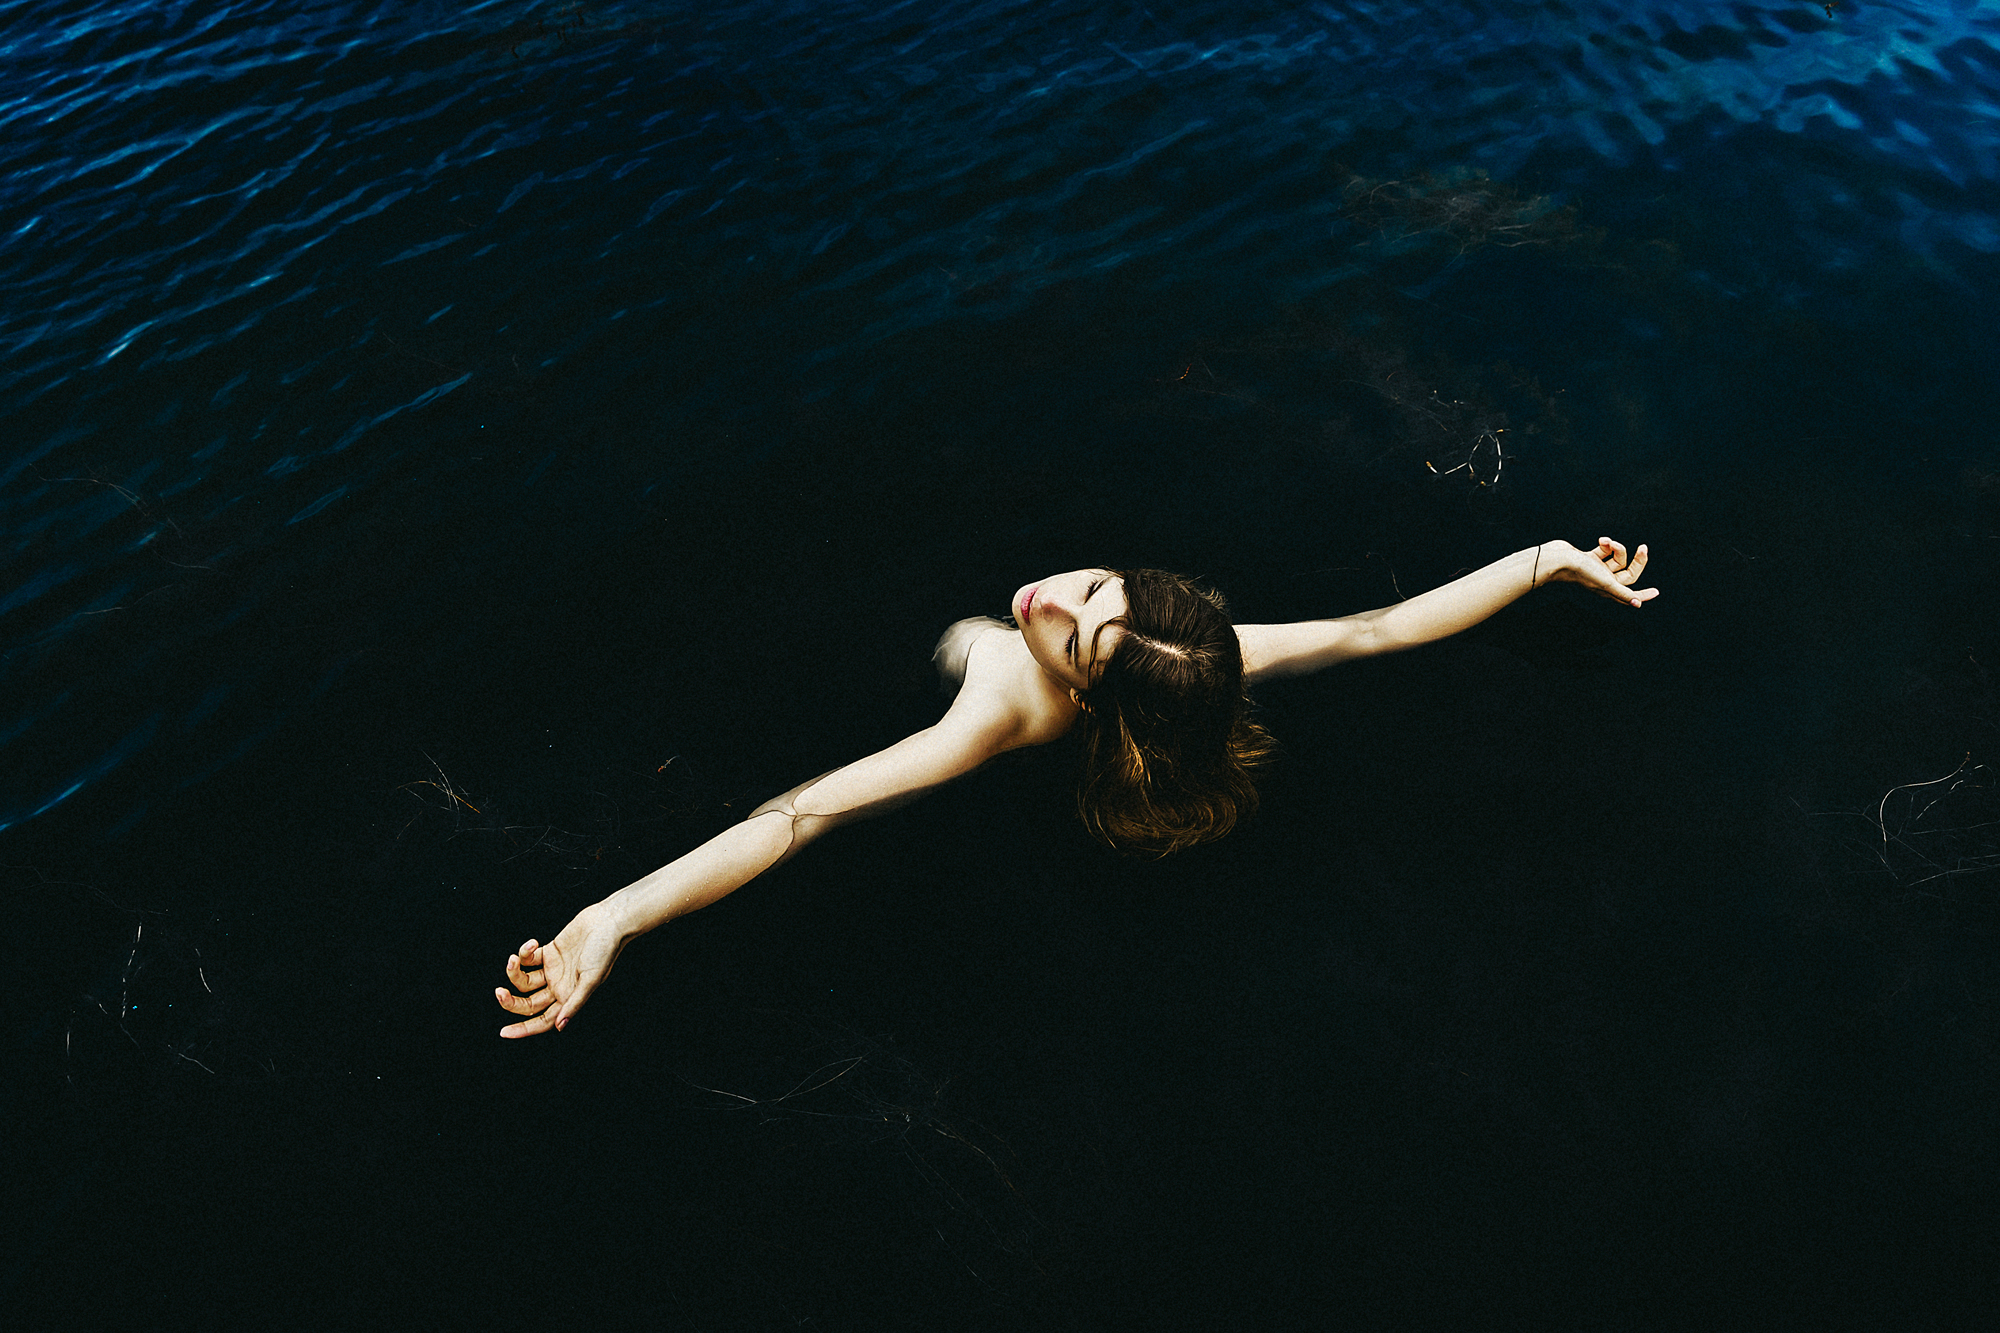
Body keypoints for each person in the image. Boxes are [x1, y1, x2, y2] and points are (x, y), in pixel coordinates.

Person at [495, 537, 1656, 1037]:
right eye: (1095, 587)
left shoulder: (996, 710)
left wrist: (611, 913)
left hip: (926, 672)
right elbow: (1376, 628)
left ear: (1088, 701)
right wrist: (1545, 559)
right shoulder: (1194, 652)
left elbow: (799, 814)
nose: (1048, 602)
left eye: (1079, 639)